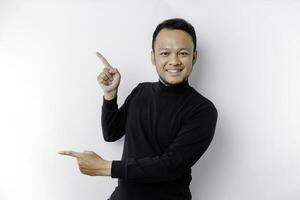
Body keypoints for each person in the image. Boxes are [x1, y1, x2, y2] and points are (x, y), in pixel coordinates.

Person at [59, 18, 218, 200]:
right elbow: (111, 133)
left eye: (183, 53)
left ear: (194, 57)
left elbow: (170, 166)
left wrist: (105, 167)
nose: (174, 61)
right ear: (153, 57)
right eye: (165, 53)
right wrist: (110, 95)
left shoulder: (203, 110)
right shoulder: (141, 91)